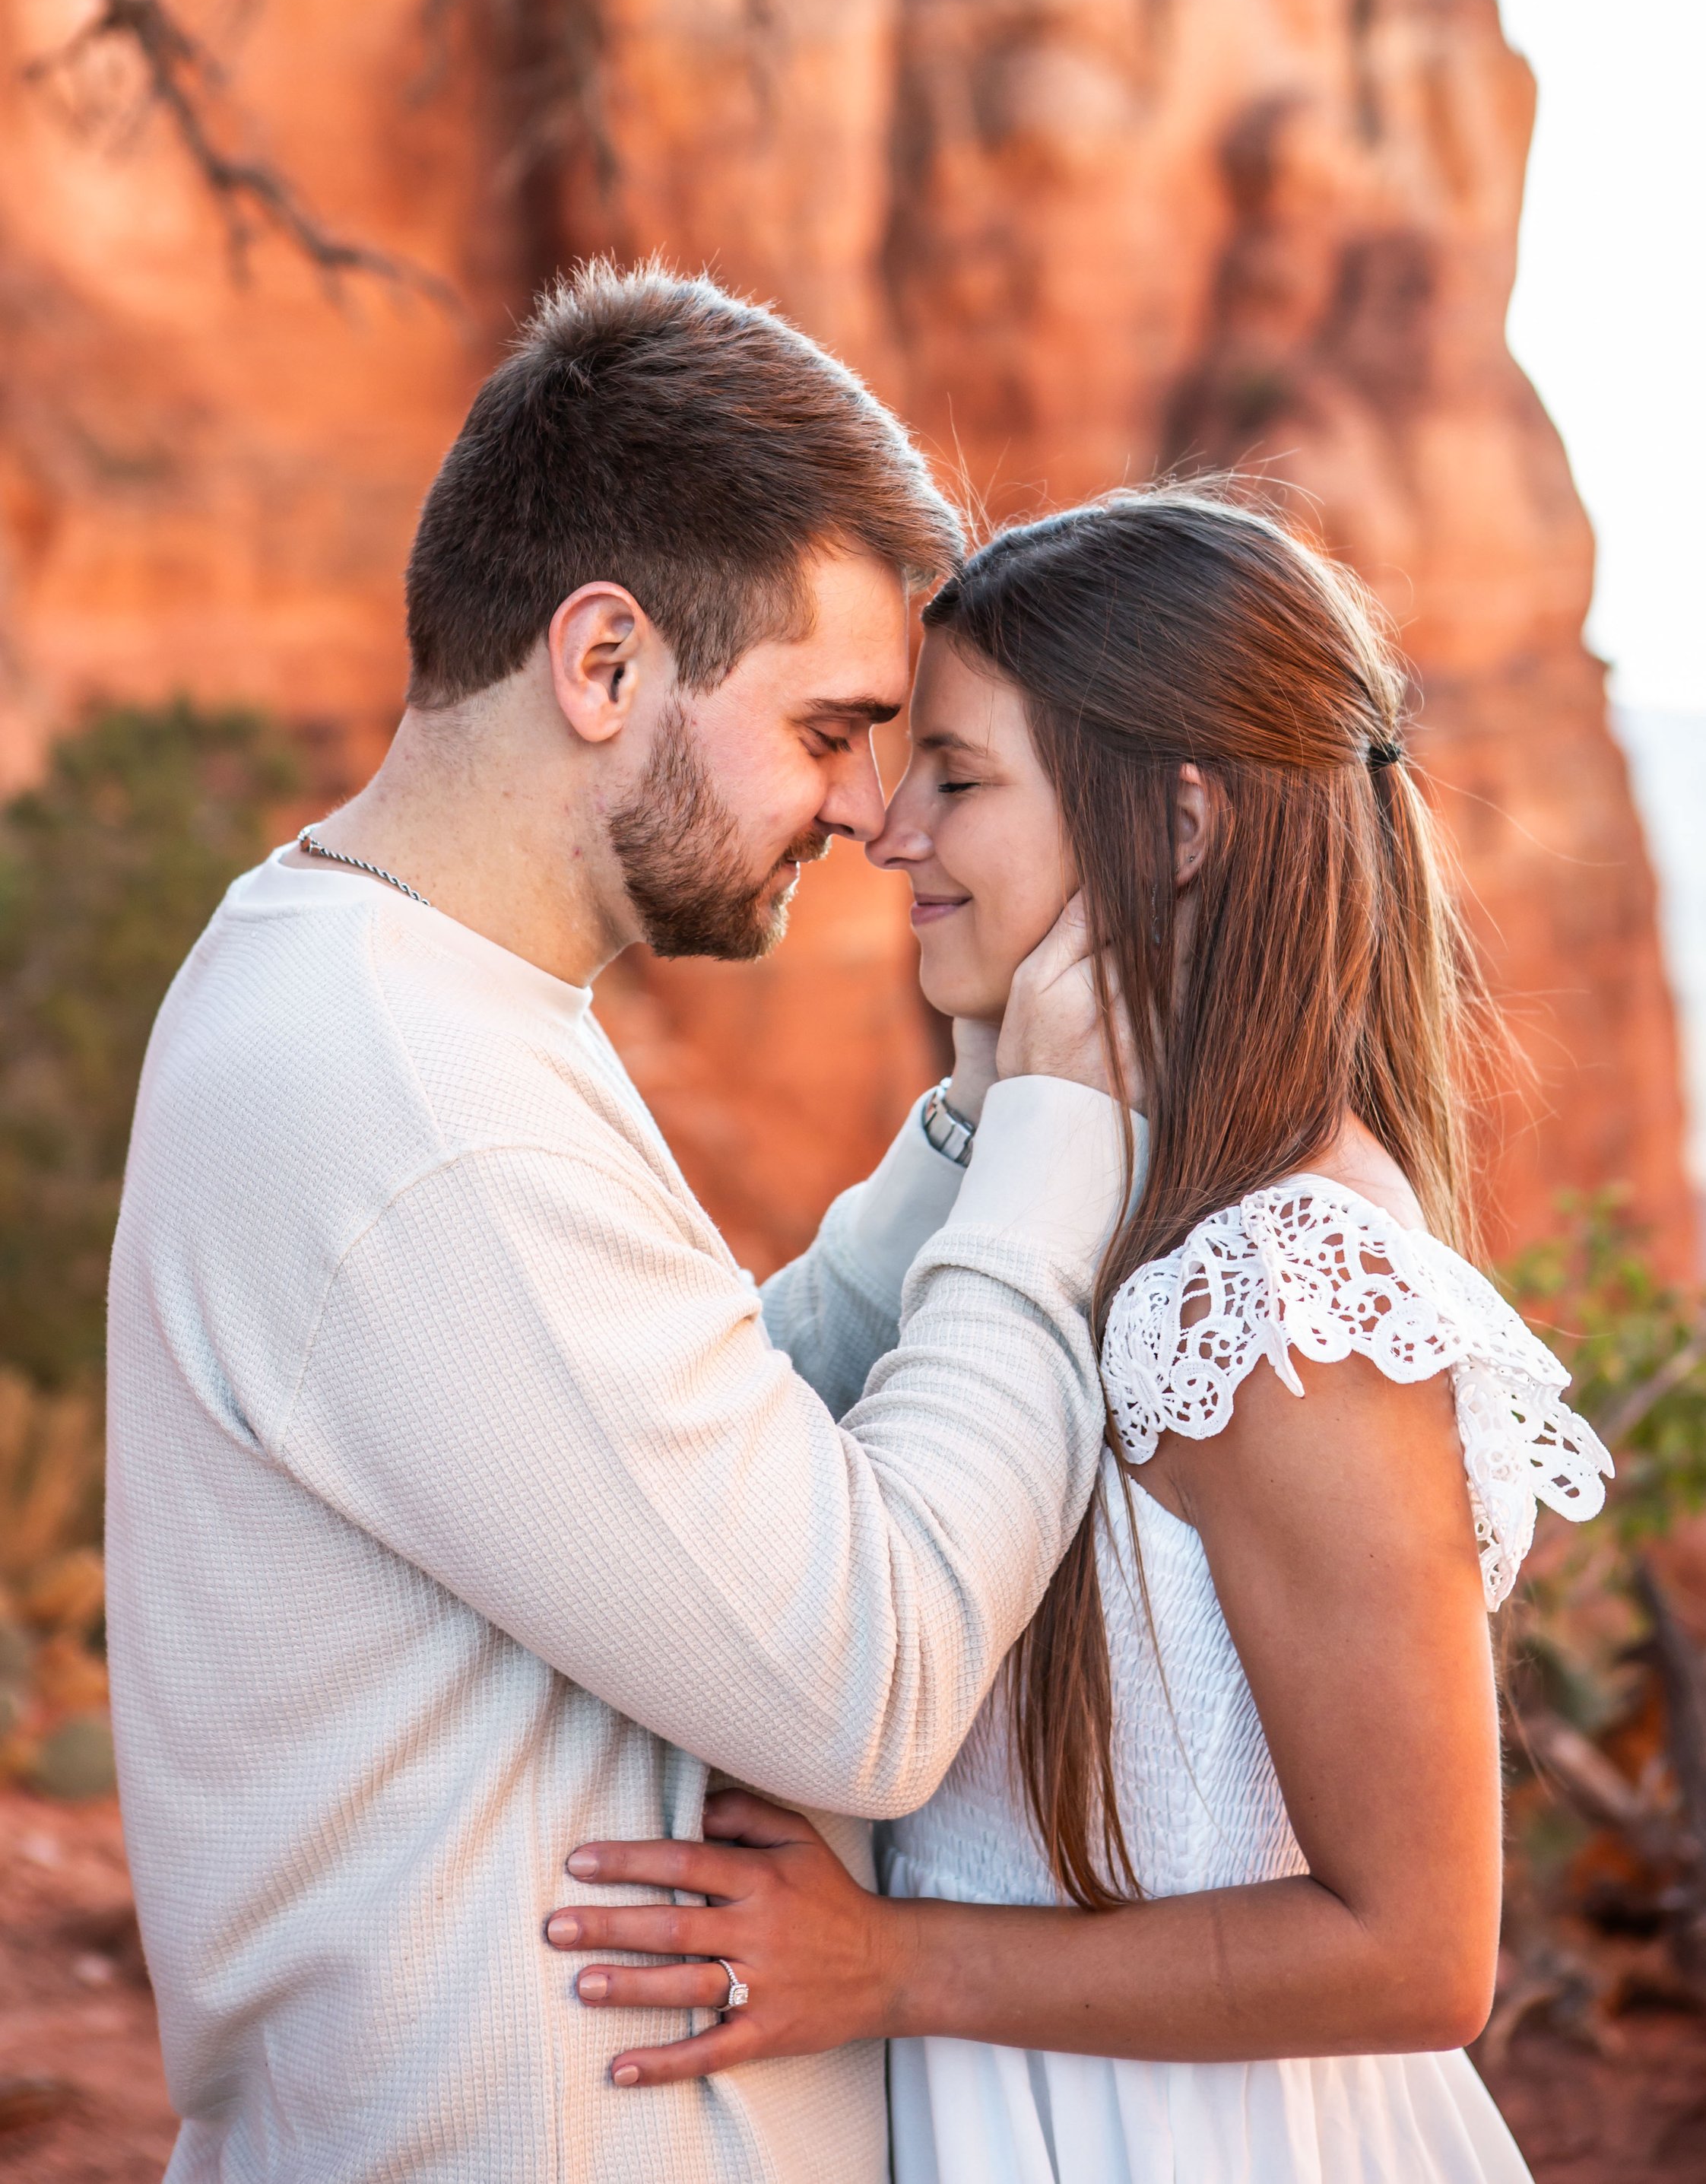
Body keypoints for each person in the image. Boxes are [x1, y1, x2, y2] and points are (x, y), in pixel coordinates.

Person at [105, 260, 1146, 2184]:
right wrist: (1063, 1143)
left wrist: (972, 1113)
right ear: (603, 665)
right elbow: (878, 1675)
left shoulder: (408, 1004)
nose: (863, 811)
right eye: (831, 727)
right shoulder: (413, 1101)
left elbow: (698, 1428)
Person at [541, 492, 1613, 2183]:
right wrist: (991, 1118)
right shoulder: (1077, 1209)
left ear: (1174, 825)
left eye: (957, 779)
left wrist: (890, 1969)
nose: (889, 833)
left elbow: (1417, 1949)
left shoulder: (1282, 1291)